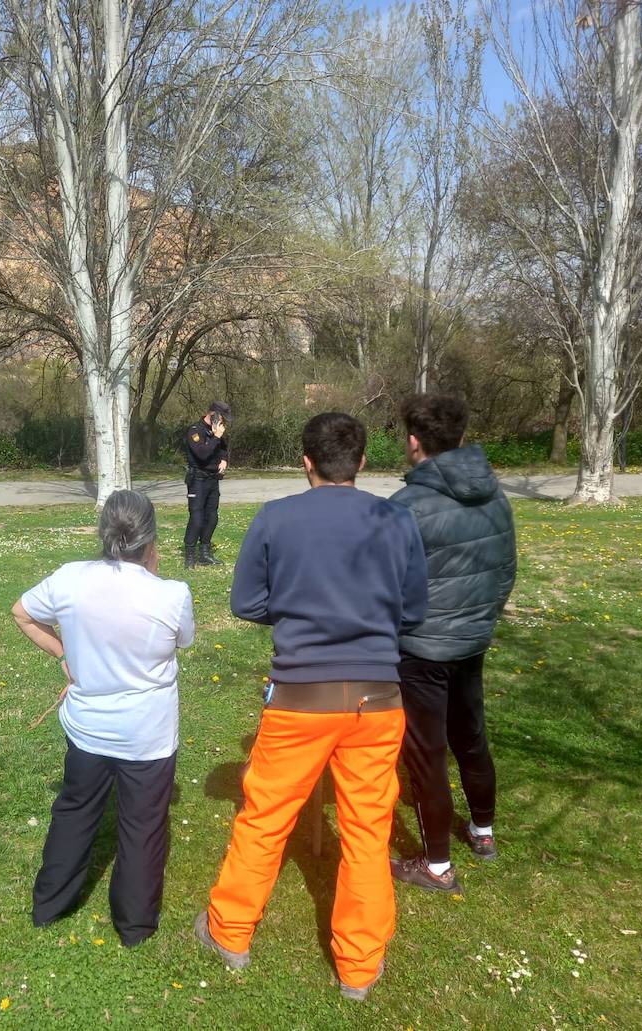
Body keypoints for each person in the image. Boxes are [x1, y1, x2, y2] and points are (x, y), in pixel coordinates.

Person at [195, 412, 429, 1001]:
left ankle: (230, 932)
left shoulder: (277, 518)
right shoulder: (396, 519)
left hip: (300, 699)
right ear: (363, 463)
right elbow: (414, 612)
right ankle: (358, 966)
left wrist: (299, 608)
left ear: (306, 462)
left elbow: (247, 601)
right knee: (368, 832)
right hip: (377, 699)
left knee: (265, 815)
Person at [12, 489, 194, 947]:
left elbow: (22, 613)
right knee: (143, 824)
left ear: (104, 531)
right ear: (151, 539)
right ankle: (134, 925)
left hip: (89, 729)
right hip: (146, 735)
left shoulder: (71, 578)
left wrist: (64, 653)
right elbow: (183, 642)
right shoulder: (170, 594)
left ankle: (49, 903)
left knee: (75, 810)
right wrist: (65, 653)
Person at [388, 394, 516, 894]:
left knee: (427, 753)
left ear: (414, 442)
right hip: (470, 641)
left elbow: (385, 583)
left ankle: (437, 864)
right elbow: (507, 569)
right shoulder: (495, 495)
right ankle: (482, 832)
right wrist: (480, 622)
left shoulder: (405, 507)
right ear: (459, 439)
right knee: (471, 734)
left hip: (422, 649)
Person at [183, 400, 231, 568]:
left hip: (213, 479)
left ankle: (204, 553)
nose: (223, 422)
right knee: (197, 518)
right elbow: (202, 454)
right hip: (198, 480)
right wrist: (215, 437)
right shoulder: (195, 431)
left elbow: (223, 448)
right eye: (222, 417)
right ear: (213, 414)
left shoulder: (217, 432)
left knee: (212, 517)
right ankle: (189, 556)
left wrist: (224, 460)